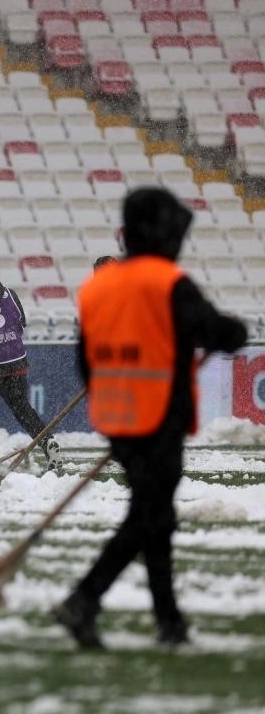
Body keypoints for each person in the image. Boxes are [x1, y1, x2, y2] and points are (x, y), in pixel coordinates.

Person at [52, 188, 248, 650]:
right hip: (160, 418)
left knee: (154, 518)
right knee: (150, 518)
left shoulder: (98, 286)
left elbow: (86, 360)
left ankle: (169, 623)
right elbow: (216, 332)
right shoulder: (167, 282)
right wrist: (234, 331)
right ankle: (85, 599)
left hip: (117, 417)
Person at [0, 260, 63, 469]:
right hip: (15, 361)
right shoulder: (10, 294)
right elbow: (21, 322)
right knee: (23, 409)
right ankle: (46, 440)